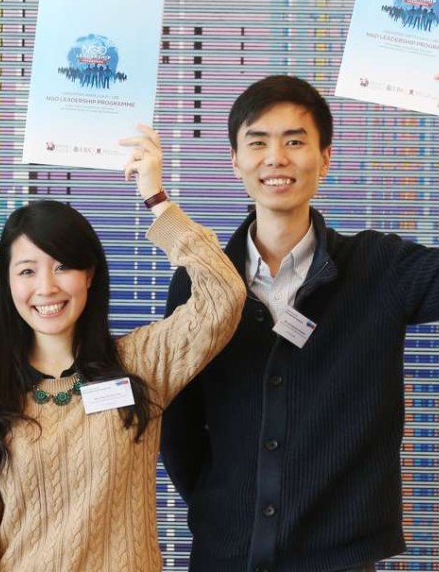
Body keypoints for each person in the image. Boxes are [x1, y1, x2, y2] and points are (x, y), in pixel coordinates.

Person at [159, 74, 439, 571]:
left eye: (294, 141)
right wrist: (220, 505)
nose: (276, 158)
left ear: (325, 158)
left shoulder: (379, 268)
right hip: (224, 555)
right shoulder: (199, 283)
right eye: (258, 142)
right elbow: (177, 424)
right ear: (235, 160)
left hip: (338, 559)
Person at [0, 126, 247, 571]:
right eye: (27, 271)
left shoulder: (140, 363)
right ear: (8, 284)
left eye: (63, 266)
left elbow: (224, 295)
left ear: (89, 275)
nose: (46, 287)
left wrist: (157, 200)